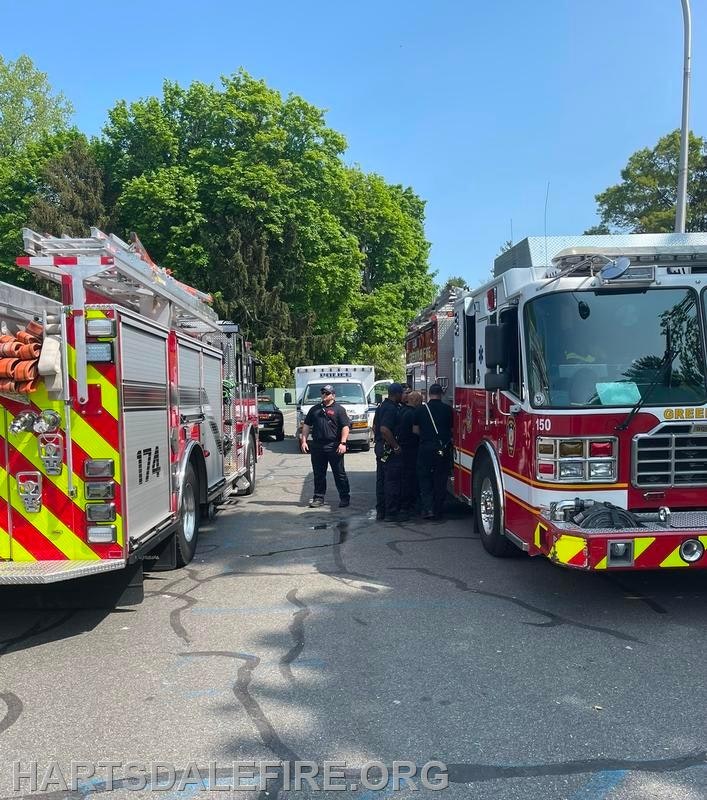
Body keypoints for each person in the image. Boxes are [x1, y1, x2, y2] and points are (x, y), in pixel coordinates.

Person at [300, 384, 351, 508]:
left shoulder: (339, 410)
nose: (324, 395)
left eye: (327, 393)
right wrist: (304, 441)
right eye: (322, 393)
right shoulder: (314, 409)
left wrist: (343, 443)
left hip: (334, 446)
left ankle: (344, 497)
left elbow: (345, 427)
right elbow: (306, 426)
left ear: (333, 395)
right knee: (318, 474)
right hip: (317, 446)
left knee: (339, 473)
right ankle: (318, 497)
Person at [413, 383, 453, 520]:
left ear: (429, 394)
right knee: (440, 479)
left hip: (425, 449)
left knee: (424, 479)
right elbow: (452, 430)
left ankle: (428, 508)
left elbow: (415, 430)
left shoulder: (420, 410)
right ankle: (439, 510)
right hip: (442, 450)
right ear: (441, 394)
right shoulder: (448, 410)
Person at [373, 382, 404, 522]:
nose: (403, 396)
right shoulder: (391, 409)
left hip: (381, 447)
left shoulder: (381, 407)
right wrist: (395, 446)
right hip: (389, 449)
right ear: (396, 394)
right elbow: (384, 429)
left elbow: (374, 426)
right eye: (402, 393)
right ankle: (391, 513)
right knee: (392, 481)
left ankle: (381, 511)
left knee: (381, 480)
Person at [399, 390, 422, 519]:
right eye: (420, 401)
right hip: (411, 449)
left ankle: (405, 504)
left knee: (405, 477)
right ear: (416, 401)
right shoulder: (412, 414)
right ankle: (408, 505)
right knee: (410, 478)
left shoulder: (402, 411)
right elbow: (415, 432)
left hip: (403, 447)